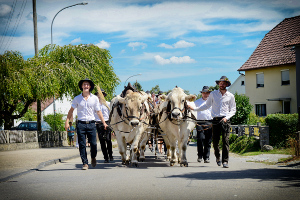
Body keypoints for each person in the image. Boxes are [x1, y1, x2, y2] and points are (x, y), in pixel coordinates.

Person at [188, 76, 236, 168]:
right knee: (215, 142)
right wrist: (195, 109)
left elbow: (233, 110)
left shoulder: (231, 96)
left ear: (226, 84)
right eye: (220, 83)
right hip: (215, 120)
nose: (221, 84)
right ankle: (218, 158)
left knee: (226, 141)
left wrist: (226, 117)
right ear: (218, 84)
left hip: (225, 120)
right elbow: (206, 105)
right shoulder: (213, 94)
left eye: (223, 83)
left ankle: (225, 161)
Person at [65, 78, 108, 170]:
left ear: (90, 87)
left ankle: (93, 157)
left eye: (87, 85)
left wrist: (104, 122)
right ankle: (85, 163)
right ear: (82, 86)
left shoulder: (95, 98)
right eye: (84, 84)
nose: (86, 86)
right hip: (81, 124)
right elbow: (71, 110)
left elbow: (98, 111)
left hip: (92, 124)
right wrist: (67, 122)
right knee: (82, 144)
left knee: (93, 144)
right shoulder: (77, 99)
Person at [194, 86, 212, 163]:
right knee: (200, 139)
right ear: (201, 93)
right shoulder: (197, 102)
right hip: (199, 122)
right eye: (204, 93)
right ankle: (200, 156)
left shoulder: (212, 102)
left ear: (209, 94)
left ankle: (207, 157)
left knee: (208, 141)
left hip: (209, 122)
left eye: (207, 93)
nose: (205, 94)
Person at [95, 89, 113, 163]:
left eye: (101, 94)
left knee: (108, 140)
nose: (99, 96)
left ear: (104, 95)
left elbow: (111, 115)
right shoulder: (95, 105)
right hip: (98, 123)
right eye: (98, 94)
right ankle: (105, 157)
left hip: (107, 122)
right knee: (102, 141)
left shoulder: (108, 104)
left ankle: (110, 155)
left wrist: (111, 125)